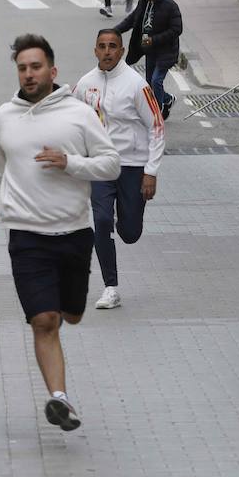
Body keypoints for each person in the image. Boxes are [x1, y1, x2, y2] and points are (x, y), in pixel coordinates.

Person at [0, 34, 119, 431]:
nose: (28, 74)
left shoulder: (79, 114)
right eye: (22, 68)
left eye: (35, 66)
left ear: (52, 71)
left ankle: (70, 316)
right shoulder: (5, 115)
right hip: (26, 236)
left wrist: (70, 162)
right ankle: (61, 398)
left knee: (70, 315)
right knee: (45, 321)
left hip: (73, 233)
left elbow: (110, 164)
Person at [74, 29, 165, 310]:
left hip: (132, 166)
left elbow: (157, 126)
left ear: (122, 51)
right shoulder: (85, 84)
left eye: (113, 46)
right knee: (101, 222)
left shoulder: (137, 85)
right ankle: (110, 287)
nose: (107, 52)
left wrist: (150, 171)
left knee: (130, 232)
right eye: (102, 46)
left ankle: (123, 221)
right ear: (95, 50)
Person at [114, 0, 181, 117]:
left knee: (156, 80)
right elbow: (132, 19)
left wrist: (154, 40)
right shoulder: (144, 2)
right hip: (150, 51)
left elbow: (176, 29)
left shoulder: (170, 6)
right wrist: (115, 31)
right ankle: (167, 99)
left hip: (166, 51)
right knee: (149, 83)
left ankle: (156, 112)